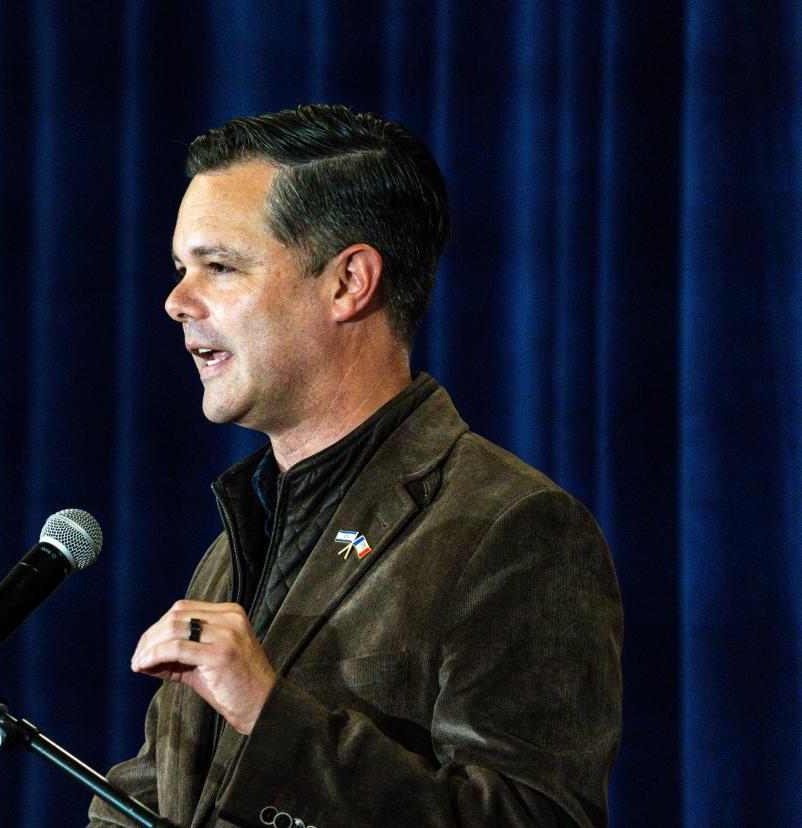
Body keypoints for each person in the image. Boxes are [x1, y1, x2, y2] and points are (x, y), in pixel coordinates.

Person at [89, 104, 622, 828]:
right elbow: (162, 797)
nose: (177, 300)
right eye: (183, 268)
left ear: (349, 283)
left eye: (219, 266)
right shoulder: (237, 541)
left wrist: (271, 718)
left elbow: (535, 819)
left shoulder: (512, 528)